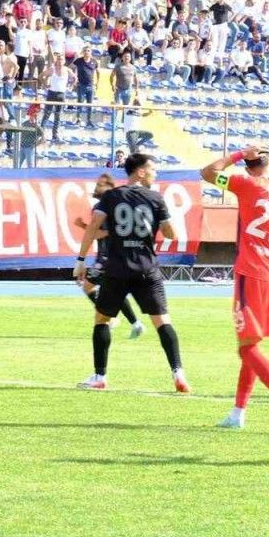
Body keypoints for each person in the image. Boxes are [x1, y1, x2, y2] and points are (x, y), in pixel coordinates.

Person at [201, 146, 269, 432]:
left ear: (249, 166)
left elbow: (208, 173)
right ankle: (238, 413)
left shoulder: (246, 184)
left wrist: (239, 154)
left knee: (247, 349)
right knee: (251, 345)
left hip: (250, 272)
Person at [72, 153, 188, 392]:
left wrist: (81, 260)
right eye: (152, 169)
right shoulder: (155, 198)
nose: (155, 173)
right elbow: (171, 234)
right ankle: (178, 373)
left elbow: (93, 227)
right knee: (162, 321)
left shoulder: (111, 197)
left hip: (117, 268)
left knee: (102, 319)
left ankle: (99, 376)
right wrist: (164, 218)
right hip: (147, 268)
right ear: (141, 172)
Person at [75, 173, 146, 341]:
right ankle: (129, 322)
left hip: (107, 257)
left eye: (100, 185)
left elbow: (100, 233)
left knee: (91, 286)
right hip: (112, 255)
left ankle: (124, 321)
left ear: (109, 187)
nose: (96, 187)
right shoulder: (116, 205)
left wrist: (84, 226)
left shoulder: (101, 206)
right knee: (105, 290)